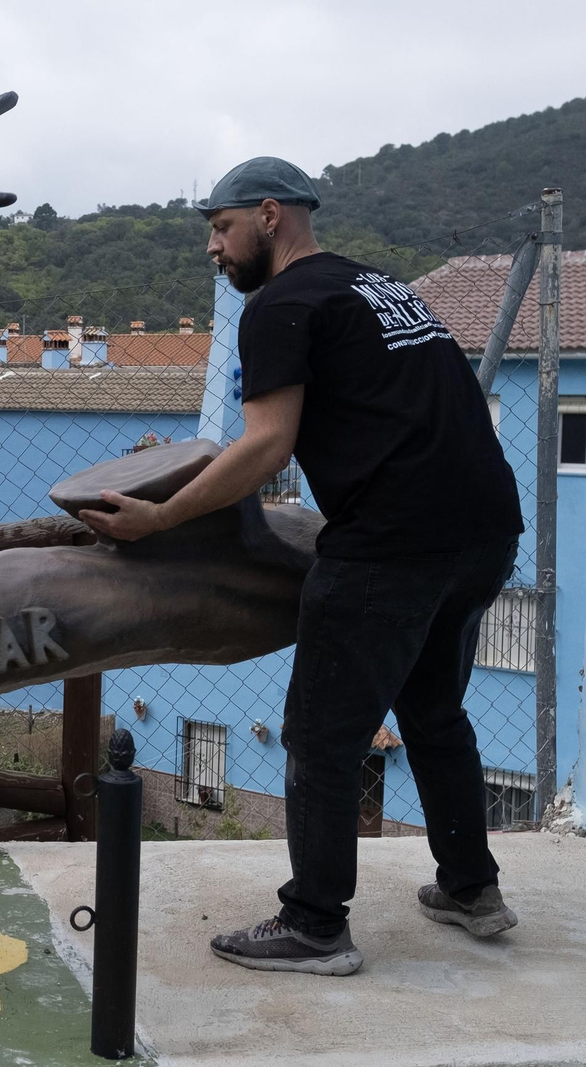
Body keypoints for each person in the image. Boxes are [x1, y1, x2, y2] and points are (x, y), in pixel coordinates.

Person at [79, 157, 524, 976]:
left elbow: (266, 444)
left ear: (271, 215)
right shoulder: (377, 286)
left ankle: (315, 923)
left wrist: (162, 515)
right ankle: (471, 889)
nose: (213, 248)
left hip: (390, 544)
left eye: (221, 227)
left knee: (320, 735)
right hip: (485, 532)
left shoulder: (280, 305)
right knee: (434, 713)